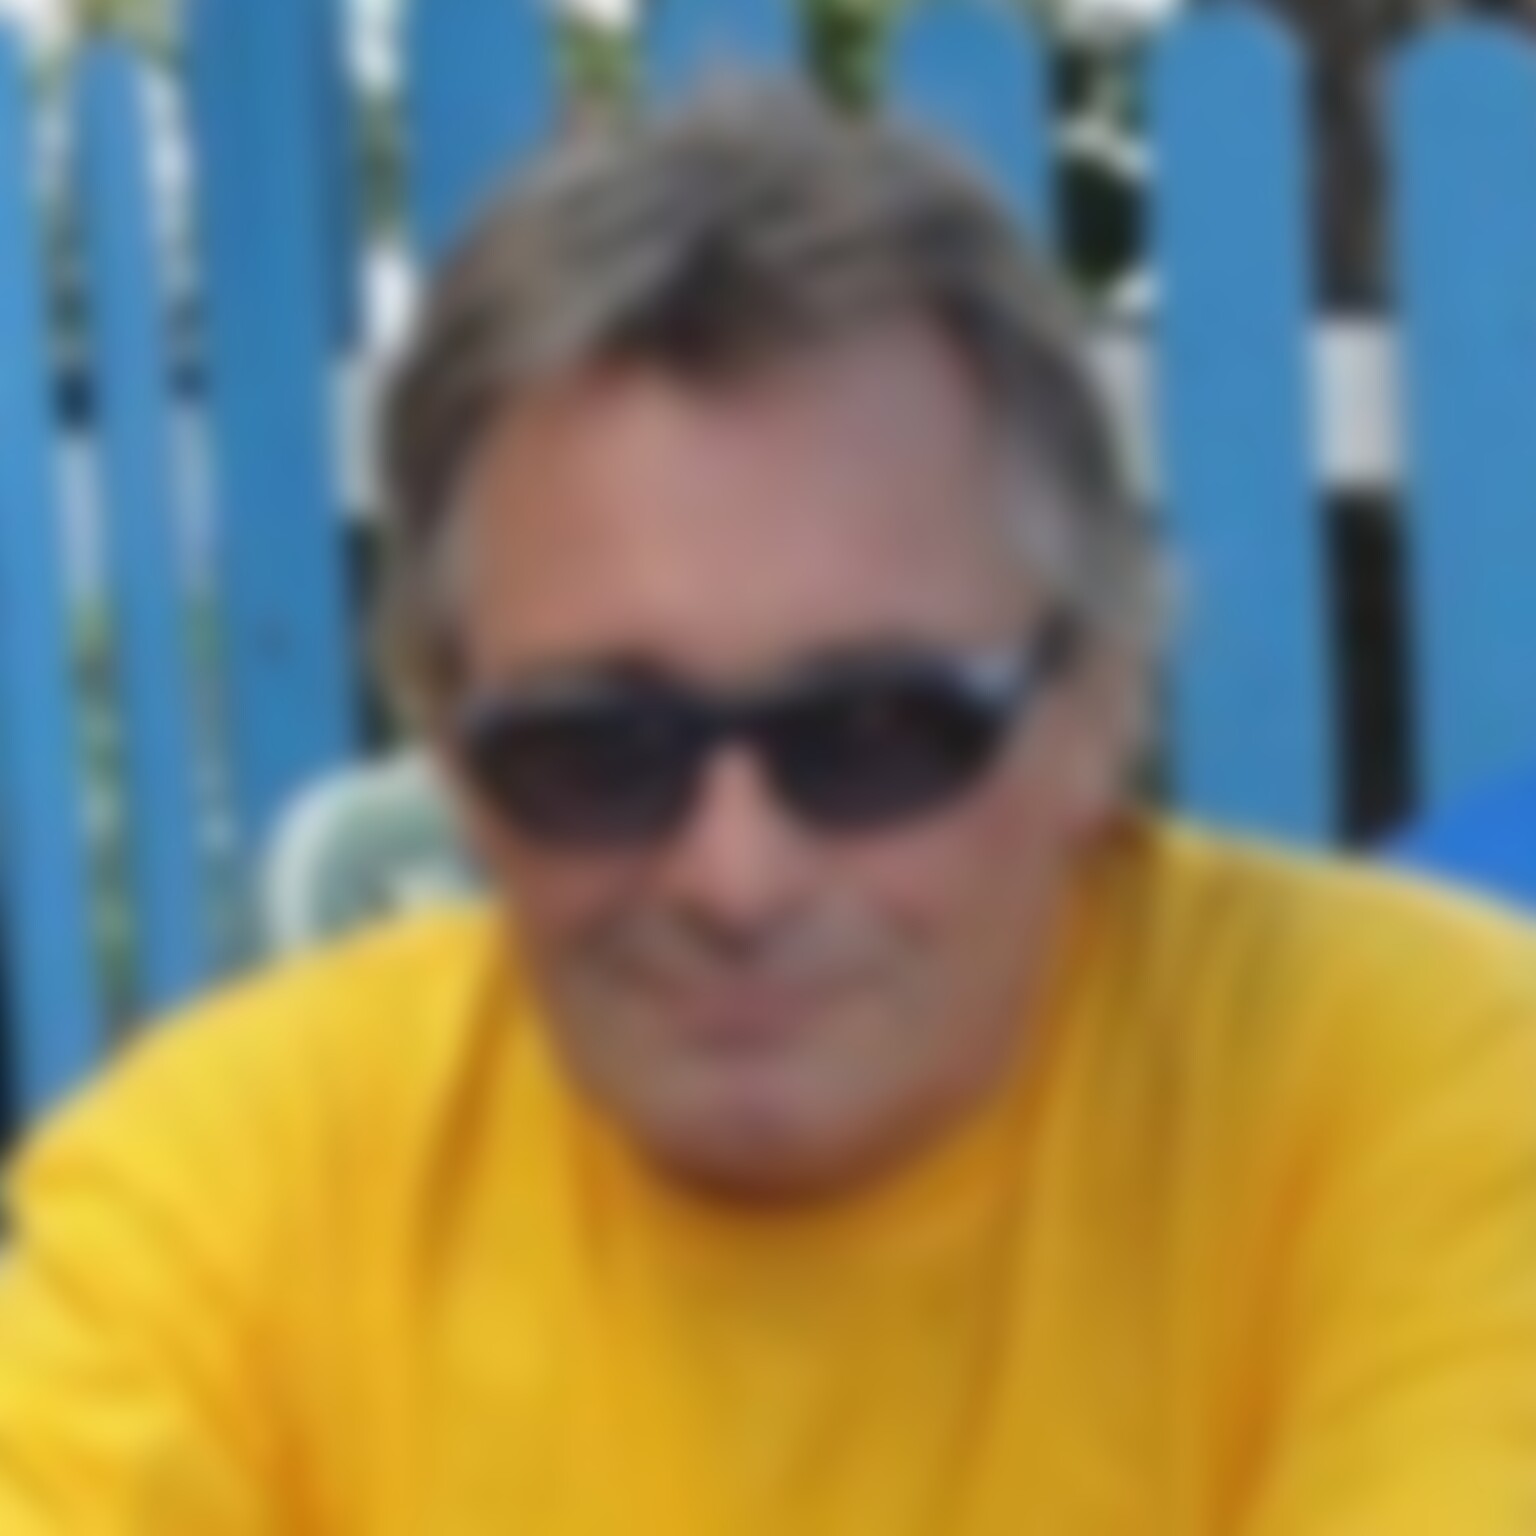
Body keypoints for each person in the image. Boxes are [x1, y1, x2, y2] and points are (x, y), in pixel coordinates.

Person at [4, 85, 1536, 1536]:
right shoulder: (228, 1190)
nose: (734, 877)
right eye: (598, 750)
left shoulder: (1421, 1088)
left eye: (873, 734)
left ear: (1097, 705)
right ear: (450, 752)